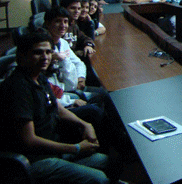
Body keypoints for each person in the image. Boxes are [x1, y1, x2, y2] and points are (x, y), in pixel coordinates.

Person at [0, 31, 110, 184]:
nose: (45, 57)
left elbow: (56, 107)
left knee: (107, 161)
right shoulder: (18, 88)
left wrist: (85, 124)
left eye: (48, 52)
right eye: (38, 53)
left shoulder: (39, 77)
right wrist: (76, 148)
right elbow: (29, 140)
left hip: (53, 150)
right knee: (100, 179)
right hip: (35, 160)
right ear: (22, 56)